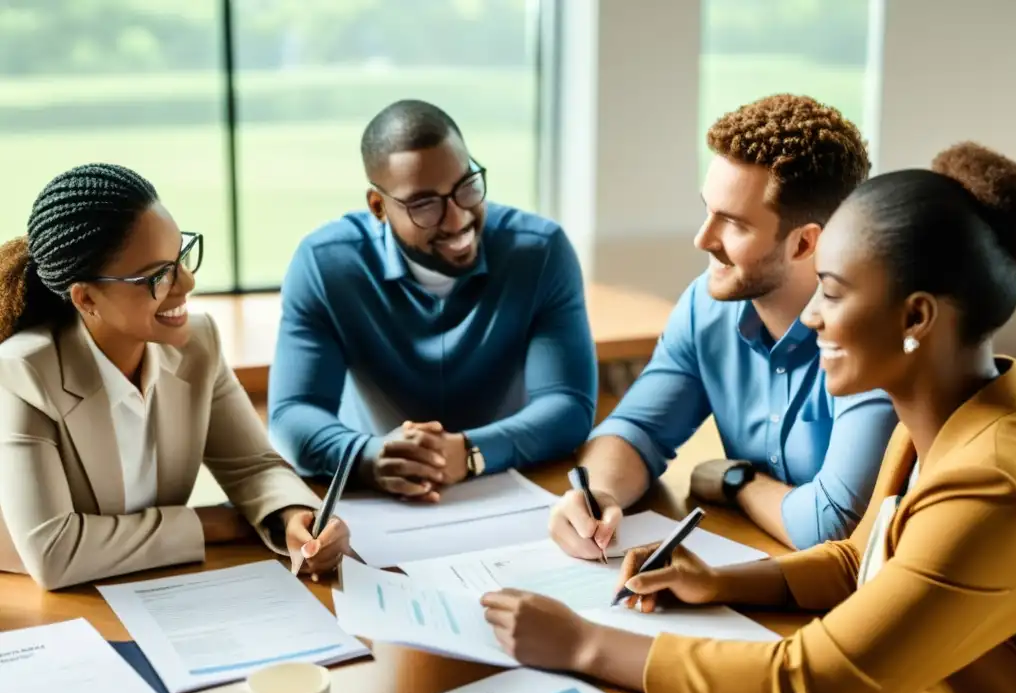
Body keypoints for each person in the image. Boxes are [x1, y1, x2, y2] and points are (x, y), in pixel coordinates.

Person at [480, 141, 1016, 693]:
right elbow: (860, 564)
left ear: (917, 318)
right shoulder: (936, 418)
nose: (812, 316)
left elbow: (812, 685)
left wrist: (584, 643)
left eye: (834, 293)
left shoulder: (992, 482)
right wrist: (719, 582)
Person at [549, 94, 898, 552]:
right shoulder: (706, 305)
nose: (702, 238)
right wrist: (598, 493)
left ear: (803, 243)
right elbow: (639, 428)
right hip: (760, 563)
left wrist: (737, 482)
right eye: (706, 210)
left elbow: (831, 526)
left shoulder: (871, 334)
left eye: (732, 224)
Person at [0, 163, 348, 590]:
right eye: (157, 276)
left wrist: (293, 517)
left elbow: (253, 466)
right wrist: (214, 524)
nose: (187, 282)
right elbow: (55, 552)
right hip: (37, 607)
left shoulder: (196, 344)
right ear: (87, 297)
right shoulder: (23, 372)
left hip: (151, 585)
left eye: (180, 257)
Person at [268, 99, 597, 500]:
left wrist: (472, 452)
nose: (458, 219)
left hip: (511, 489)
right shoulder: (325, 264)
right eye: (425, 204)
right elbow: (292, 415)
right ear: (379, 207)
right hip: (381, 501)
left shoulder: (541, 251)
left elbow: (568, 406)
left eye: (467, 187)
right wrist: (369, 457)